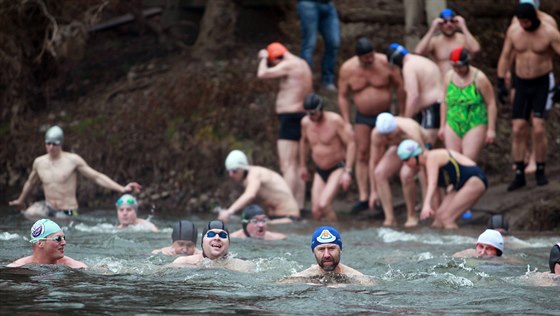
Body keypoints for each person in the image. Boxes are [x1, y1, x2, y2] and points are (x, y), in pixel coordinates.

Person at [9, 125, 142, 218]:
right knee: (29, 214)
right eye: (48, 143)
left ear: (60, 144)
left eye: (54, 144)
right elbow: (30, 183)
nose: (50, 147)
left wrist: (121, 189)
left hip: (68, 211)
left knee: (64, 229)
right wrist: (21, 200)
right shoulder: (39, 162)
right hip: (48, 207)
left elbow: (96, 176)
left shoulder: (72, 160)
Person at [496, 2, 560, 191]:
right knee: (518, 128)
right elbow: (506, 56)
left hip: (542, 82)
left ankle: (540, 169)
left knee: (539, 127)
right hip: (522, 82)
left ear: (534, 19)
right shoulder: (514, 32)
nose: (524, 25)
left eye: (527, 22)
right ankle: (519, 173)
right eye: (521, 21)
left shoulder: (549, 32)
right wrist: (501, 82)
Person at [338, 37, 405, 214]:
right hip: (362, 116)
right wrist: (345, 121)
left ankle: (382, 195)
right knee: (362, 153)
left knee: (382, 154)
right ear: (358, 57)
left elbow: (400, 87)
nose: (369, 60)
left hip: (384, 115)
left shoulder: (385, 63)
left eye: (371, 56)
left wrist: (402, 113)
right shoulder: (348, 69)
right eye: (365, 57)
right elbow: (343, 96)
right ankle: (364, 196)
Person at [257, 42, 313, 209]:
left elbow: (262, 74)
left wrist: (263, 58)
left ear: (277, 58)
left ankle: (287, 207)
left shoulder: (288, 64)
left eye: (273, 61)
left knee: (288, 165)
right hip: (301, 114)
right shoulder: (303, 63)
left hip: (289, 116)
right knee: (298, 165)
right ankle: (300, 206)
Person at [397, 139, 488, 229]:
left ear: (413, 157)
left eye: (406, 160)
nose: (405, 164)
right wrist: (435, 214)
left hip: (475, 180)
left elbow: (432, 184)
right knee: (439, 220)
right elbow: (435, 194)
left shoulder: (432, 157)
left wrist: (426, 205)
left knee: (447, 219)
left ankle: (456, 243)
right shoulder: (424, 168)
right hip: (460, 185)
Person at [300, 93, 355, 221]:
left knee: (324, 204)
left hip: (337, 167)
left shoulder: (335, 121)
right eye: (307, 113)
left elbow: (351, 143)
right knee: (316, 211)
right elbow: (304, 142)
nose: (310, 117)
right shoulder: (305, 123)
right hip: (320, 169)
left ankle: (336, 237)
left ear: (320, 109)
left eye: (313, 113)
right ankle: (320, 239)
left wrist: (348, 171)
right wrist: (302, 165)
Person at [369, 113, 431, 227]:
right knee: (379, 173)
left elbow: (425, 161)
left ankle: (411, 215)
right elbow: (374, 161)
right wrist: (373, 191)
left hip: (420, 149)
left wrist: (428, 198)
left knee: (406, 174)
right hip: (400, 148)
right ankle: (389, 218)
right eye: (384, 135)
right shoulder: (377, 135)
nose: (387, 138)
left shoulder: (410, 130)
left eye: (389, 135)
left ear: (396, 128)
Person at [439, 47, 497, 161]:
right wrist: (442, 125)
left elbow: (491, 103)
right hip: (453, 120)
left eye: (460, 66)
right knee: (453, 159)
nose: (457, 70)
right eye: (454, 67)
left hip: (474, 121)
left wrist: (491, 129)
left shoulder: (479, 78)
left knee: (468, 159)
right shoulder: (449, 76)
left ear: (467, 63)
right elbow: (444, 102)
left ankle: (471, 178)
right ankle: (455, 179)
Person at [218, 150, 300, 224]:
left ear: (243, 168)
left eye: (234, 171)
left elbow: (250, 195)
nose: (231, 175)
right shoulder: (248, 179)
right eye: (228, 171)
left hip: (289, 218)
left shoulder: (254, 174)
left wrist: (229, 212)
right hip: (275, 217)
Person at [386, 43, 443, 146]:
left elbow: (413, 95)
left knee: (426, 144)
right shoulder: (422, 61)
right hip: (439, 105)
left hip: (430, 109)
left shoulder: (409, 67)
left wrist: (406, 120)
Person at [280, 226, 373, 285]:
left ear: (340, 250)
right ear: (313, 252)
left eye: (331, 248)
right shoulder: (300, 278)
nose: (327, 255)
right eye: (321, 249)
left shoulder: (359, 279)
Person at [414, 8, 481, 77]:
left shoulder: (463, 39)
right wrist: (432, 29)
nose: (449, 24)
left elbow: (475, 49)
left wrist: (463, 27)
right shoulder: (435, 41)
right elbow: (418, 52)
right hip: (442, 82)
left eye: (452, 21)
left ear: (456, 23)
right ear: (440, 25)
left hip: (460, 82)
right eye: (445, 22)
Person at [170, 220, 254, 273]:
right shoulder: (183, 262)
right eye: (211, 234)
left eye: (222, 235)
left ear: (228, 243)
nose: (217, 238)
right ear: (202, 241)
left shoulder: (242, 266)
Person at [296, 0, 340, 91]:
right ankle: (305, 84)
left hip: (328, 5)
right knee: (309, 45)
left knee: (334, 42)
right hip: (307, 4)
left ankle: (328, 81)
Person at [7, 219, 87, 268]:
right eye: (58, 238)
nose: (64, 243)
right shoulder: (17, 267)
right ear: (40, 243)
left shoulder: (74, 266)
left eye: (64, 238)